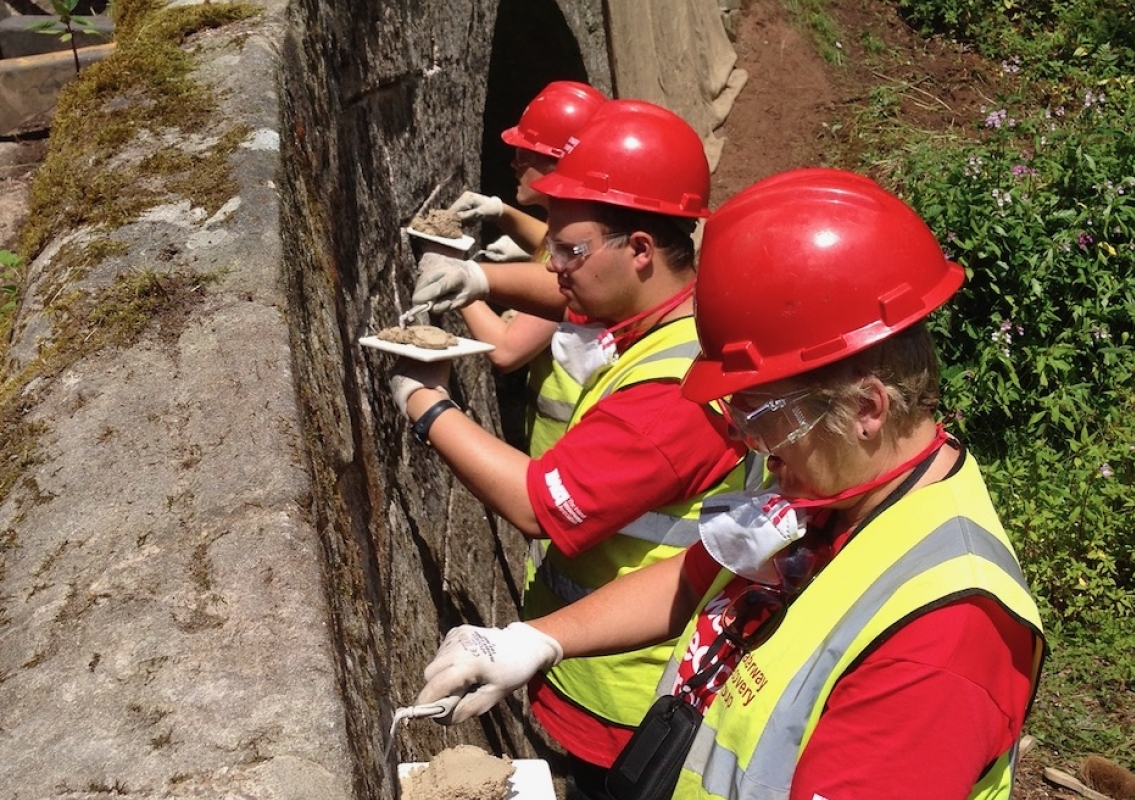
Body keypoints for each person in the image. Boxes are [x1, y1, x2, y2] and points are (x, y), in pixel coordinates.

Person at [413, 168, 1048, 799]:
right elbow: (704, 573)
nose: (746, 443)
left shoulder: (941, 643)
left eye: (761, 416)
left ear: (867, 408)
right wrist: (536, 639)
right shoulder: (846, 488)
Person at [390, 102, 749, 797]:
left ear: (640, 250)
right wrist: (481, 279)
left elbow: (535, 505)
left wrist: (425, 402)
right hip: (602, 667)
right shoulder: (679, 306)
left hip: (633, 699)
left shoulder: (672, 398)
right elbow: (564, 298)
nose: (554, 270)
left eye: (571, 251)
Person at [450, 80, 606, 458]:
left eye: (526, 154)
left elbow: (505, 351)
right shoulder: (593, 229)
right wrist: (502, 213)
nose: (514, 162)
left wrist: (456, 279)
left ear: (560, 164)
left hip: (568, 455)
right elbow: (547, 241)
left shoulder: (577, 268)